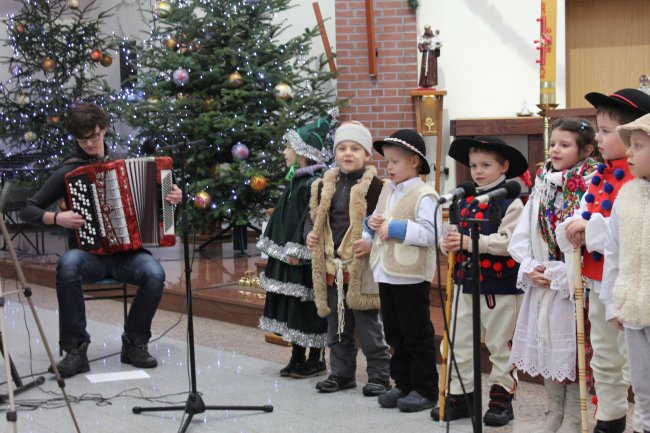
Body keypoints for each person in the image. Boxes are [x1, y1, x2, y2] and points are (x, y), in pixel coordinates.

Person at [20, 102, 182, 378]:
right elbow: (28, 209)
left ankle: (134, 343)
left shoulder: (128, 161)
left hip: (128, 255)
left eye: (94, 136)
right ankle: (75, 350)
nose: (89, 144)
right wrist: (57, 219)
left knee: (155, 273)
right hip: (88, 256)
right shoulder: (68, 171)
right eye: (82, 140)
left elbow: (163, 199)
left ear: (104, 130)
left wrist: (175, 197)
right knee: (67, 265)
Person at [559, 89, 650, 433]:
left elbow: (621, 229)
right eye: (598, 129)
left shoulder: (635, 178)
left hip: (631, 283)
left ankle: (633, 417)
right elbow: (579, 219)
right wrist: (573, 226)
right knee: (605, 354)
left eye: (606, 130)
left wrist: (588, 227)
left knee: (629, 359)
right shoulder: (601, 175)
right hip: (598, 277)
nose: (598, 137)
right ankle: (610, 417)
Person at [508, 118, 597, 433]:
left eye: (565, 144)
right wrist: (532, 267)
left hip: (574, 284)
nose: (556, 149)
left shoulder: (591, 183)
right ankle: (553, 414)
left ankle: (573, 417)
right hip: (543, 280)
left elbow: (588, 237)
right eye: (554, 143)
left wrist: (561, 272)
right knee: (546, 348)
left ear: (585, 150)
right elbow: (522, 234)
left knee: (572, 354)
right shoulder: (542, 182)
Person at [431, 136, 528, 426]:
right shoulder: (464, 199)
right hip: (464, 281)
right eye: (473, 165)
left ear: (504, 166)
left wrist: (473, 241)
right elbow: (450, 234)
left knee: (500, 343)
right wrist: (446, 242)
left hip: (500, 285)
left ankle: (501, 395)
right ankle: (462, 394)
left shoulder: (512, 203)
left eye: (486, 165)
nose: (478, 171)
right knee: (458, 340)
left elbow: (510, 242)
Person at [305, 121, 391, 397]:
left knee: (368, 328)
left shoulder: (377, 187)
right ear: (335, 153)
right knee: (337, 326)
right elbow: (314, 219)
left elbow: (384, 223)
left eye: (355, 148)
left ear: (367, 155)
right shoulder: (323, 186)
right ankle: (341, 374)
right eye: (342, 148)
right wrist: (310, 234)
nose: (348, 153)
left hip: (362, 267)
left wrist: (372, 242)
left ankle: (379, 376)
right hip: (333, 267)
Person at [364, 129, 440, 413]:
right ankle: (404, 383)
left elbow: (433, 233)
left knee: (416, 333)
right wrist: (371, 224)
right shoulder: (387, 189)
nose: (390, 167)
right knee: (394, 333)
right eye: (388, 162)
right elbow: (378, 219)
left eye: (395, 161)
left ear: (415, 162)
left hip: (410, 275)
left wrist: (394, 228)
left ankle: (425, 388)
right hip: (386, 271)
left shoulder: (425, 194)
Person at [257, 117, 329, 378]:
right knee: (293, 307)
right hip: (287, 255)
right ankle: (297, 355)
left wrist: (298, 249)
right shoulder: (294, 180)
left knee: (307, 306)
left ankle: (316, 357)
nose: (284, 152)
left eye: (288, 148)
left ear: (303, 153)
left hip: (304, 258)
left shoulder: (314, 182)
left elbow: (309, 220)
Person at [602, 113, 650, 433]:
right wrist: (612, 302)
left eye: (638, 146)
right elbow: (613, 254)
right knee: (642, 384)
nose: (628, 152)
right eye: (630, 146)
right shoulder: (627, 196)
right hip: (633, 307)